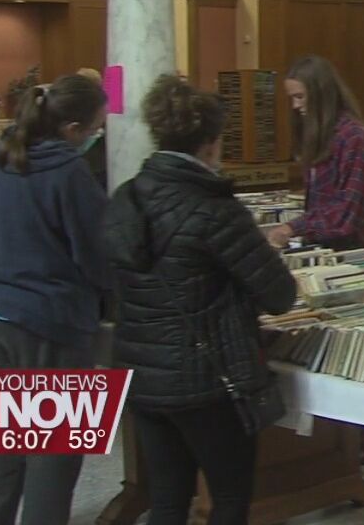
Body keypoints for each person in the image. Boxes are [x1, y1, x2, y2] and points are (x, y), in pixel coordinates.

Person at [103, 75, 296, 525]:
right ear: (210, 143)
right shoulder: (214, 209)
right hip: (207, 378)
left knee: (168, 499)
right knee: (228, 499)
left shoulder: (125, 197)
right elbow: (280, 294)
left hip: (143, 373)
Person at [0, 74, 107, 525]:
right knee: (53, 455)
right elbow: (96, 252)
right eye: (96, 129)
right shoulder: (67, 170)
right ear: (72, 129)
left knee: (6, 439)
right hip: (47, 315)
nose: (97, 137)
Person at [263, 55, 364, 463]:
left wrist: (292, 229)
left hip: (351, 259)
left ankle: (359, 441)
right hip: (325, 256)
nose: (295, 106)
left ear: (320, 93)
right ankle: (335, 445)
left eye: (299, 97)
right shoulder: (322, 135)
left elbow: (345, 214)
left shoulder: (356, 139)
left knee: (347, 355)